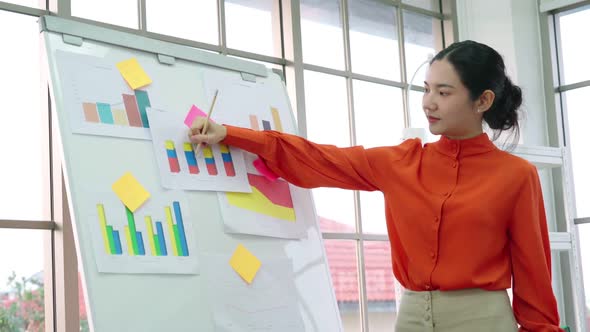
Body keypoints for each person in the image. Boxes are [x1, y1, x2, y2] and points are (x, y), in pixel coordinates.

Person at [189, 40, 562, 331]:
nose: (428, 103)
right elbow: (318, 159)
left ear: (483, 100)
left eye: (444, 93)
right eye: (427, 89)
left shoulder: (516, 176)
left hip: (484, 322)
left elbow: (534, 274)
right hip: (412, 320)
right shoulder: (400, 161)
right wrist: (231, 135)